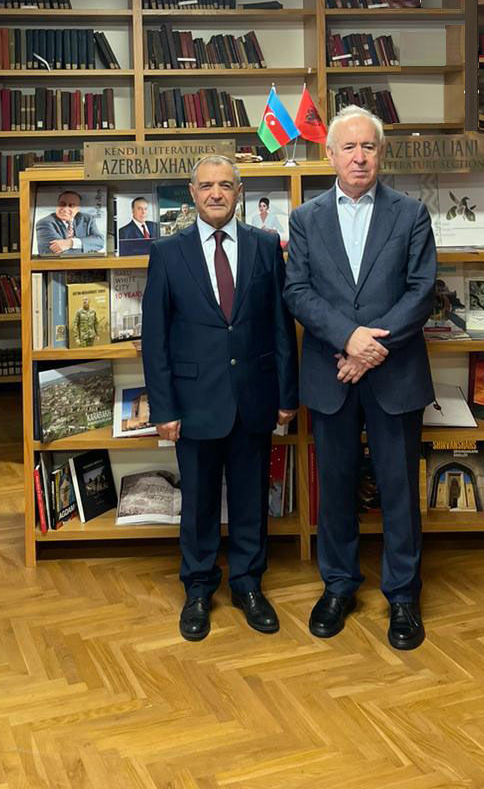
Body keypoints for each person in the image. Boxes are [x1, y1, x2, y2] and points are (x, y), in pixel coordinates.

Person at [283, 106, 436, 652]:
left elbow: (421, 291)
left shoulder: (411, 213)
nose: (359, 157)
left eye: (368, 146)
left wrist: (370, 352)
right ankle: (339, 585)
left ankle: (403, 595)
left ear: (381, 153)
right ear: (329, 155)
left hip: (394, 373)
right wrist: (349, 339)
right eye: (348, 147)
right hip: (332, 371)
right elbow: (297, 291)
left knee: (399, 488)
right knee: (336, 485)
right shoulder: (305, 219)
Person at [142, 155, 298, 641]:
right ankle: (198, 588)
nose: (215, 194)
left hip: (254, 397)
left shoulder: (265, 245)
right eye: (206, 186)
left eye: (225, 185)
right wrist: (164, 408)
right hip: (193, 403)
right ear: (192, 193)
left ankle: (248, 584)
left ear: (239, 192)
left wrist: (286, 394)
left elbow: (281, 327)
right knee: (199, 502)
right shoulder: (167, 253)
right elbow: (155, 338)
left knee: (251, 500)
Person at [35, 189, 104, 256]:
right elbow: (60, 253)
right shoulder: (44, 223)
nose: (65, 209)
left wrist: (70, 243)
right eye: (62, 204)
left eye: (72, 206)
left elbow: (100, 241)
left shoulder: (88, 219)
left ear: (78, 209)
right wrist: (89, 249)